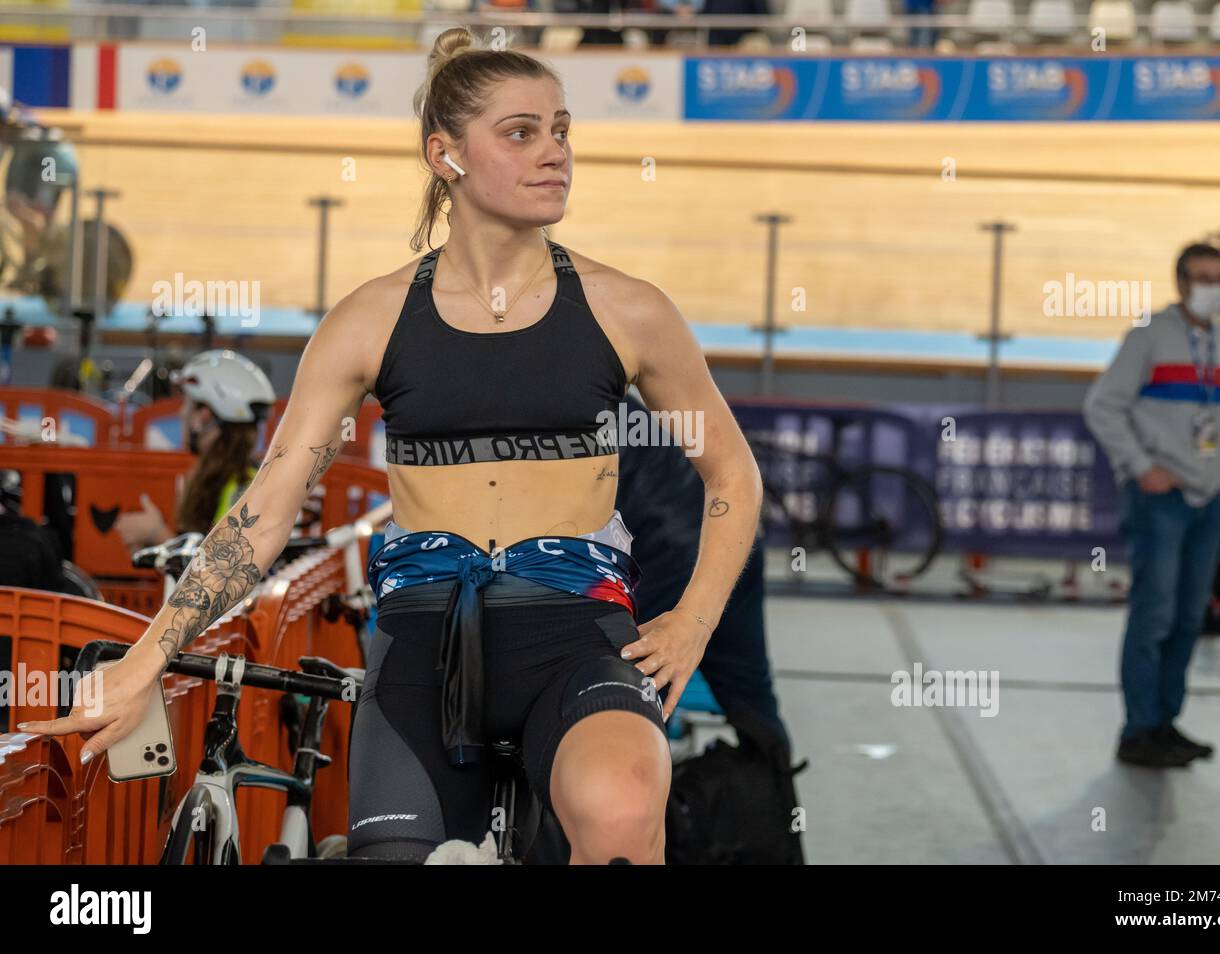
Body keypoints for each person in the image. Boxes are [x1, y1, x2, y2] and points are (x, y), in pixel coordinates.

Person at [20, 27, 762, 866]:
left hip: (577, 639)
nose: (554, 151)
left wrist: (693, 622)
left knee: (622, 815)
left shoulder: (629, 310)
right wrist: (147, 659)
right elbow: (263, 514)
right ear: (445, 154)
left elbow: (732, 472)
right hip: (420, 645)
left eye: (561, 129)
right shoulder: (367, 321)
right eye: (521, 132)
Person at [1083, 242, 1220, 769]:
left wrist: (1218, 476)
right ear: (1180, 282)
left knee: (1189, 617)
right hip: (1160, 499)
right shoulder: (1149, 336)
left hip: (1205, 500)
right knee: (1154, 615)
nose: (1212, 288)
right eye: (1202, 277)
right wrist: (1140, 466)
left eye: (1219, 278)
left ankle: (1165, 721)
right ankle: (1139, 729)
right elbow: (1102, 406)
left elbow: (1217, 420)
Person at [615, 389, 791, 755]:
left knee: (634, 695)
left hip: (665, 554)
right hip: (730, 546)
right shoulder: (611, 395)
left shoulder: (567, 408)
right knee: (748, 689)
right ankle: (772, 779)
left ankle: (641, 773)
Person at [112, 349, 275, 551]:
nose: (181, 413)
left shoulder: (243, 487)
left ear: (204, 415)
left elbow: (223, 564)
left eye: (186, 404)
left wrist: (156, 534)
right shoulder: (223, 476)